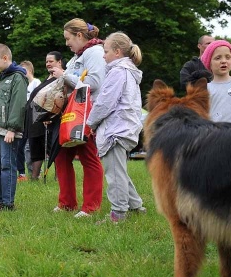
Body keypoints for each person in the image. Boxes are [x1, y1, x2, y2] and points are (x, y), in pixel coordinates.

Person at [48, 18, 105, 218]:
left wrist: (64, 75)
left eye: (68, 38)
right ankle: (67, 203)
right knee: (62, 156)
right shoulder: (77, 56)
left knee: (89, 158)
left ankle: (90, 207)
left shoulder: (96, 53)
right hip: (72, 114)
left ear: (79, 35)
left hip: (87, 114)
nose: (66, 43)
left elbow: (94, 83)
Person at [87, 32, 146, 223]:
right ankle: (136, 206)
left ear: (117, 52)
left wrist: (91, 122)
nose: (103, 56)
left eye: (106, 51)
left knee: (114, 174)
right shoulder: (127, 71)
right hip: (124, 127)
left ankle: (118, 214)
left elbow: (105, 102)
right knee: (119, 170)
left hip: (115, 130)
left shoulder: (118, 72)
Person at [0, 44, 28, 211]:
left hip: (8, 131)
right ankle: (0, 201)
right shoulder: (4, 77)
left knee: (6, 165)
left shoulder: (18, 77)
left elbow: (18, 104)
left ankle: (8, 203)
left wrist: (12, 128)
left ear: (5, 58)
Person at [25, 51, 64, 180]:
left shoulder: (63, 77)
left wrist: (50, 116)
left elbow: (61, 98)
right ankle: (34, 177)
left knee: (54, 148)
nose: (48, 64)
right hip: (36, 120)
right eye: (47, 61)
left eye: (51, 61)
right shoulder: (47, 78)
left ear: (59, 62)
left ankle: (59, 178)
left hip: (50, 119)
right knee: (36, 148)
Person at [16, 60, 41, 182]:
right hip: (22, 117)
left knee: (30, 146)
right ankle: (21, 173)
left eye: (23, 70)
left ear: (30, 70)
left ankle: (35, 173)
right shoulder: (21, 84)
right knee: (19, 146)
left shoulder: (36, 82)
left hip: (33, 117)